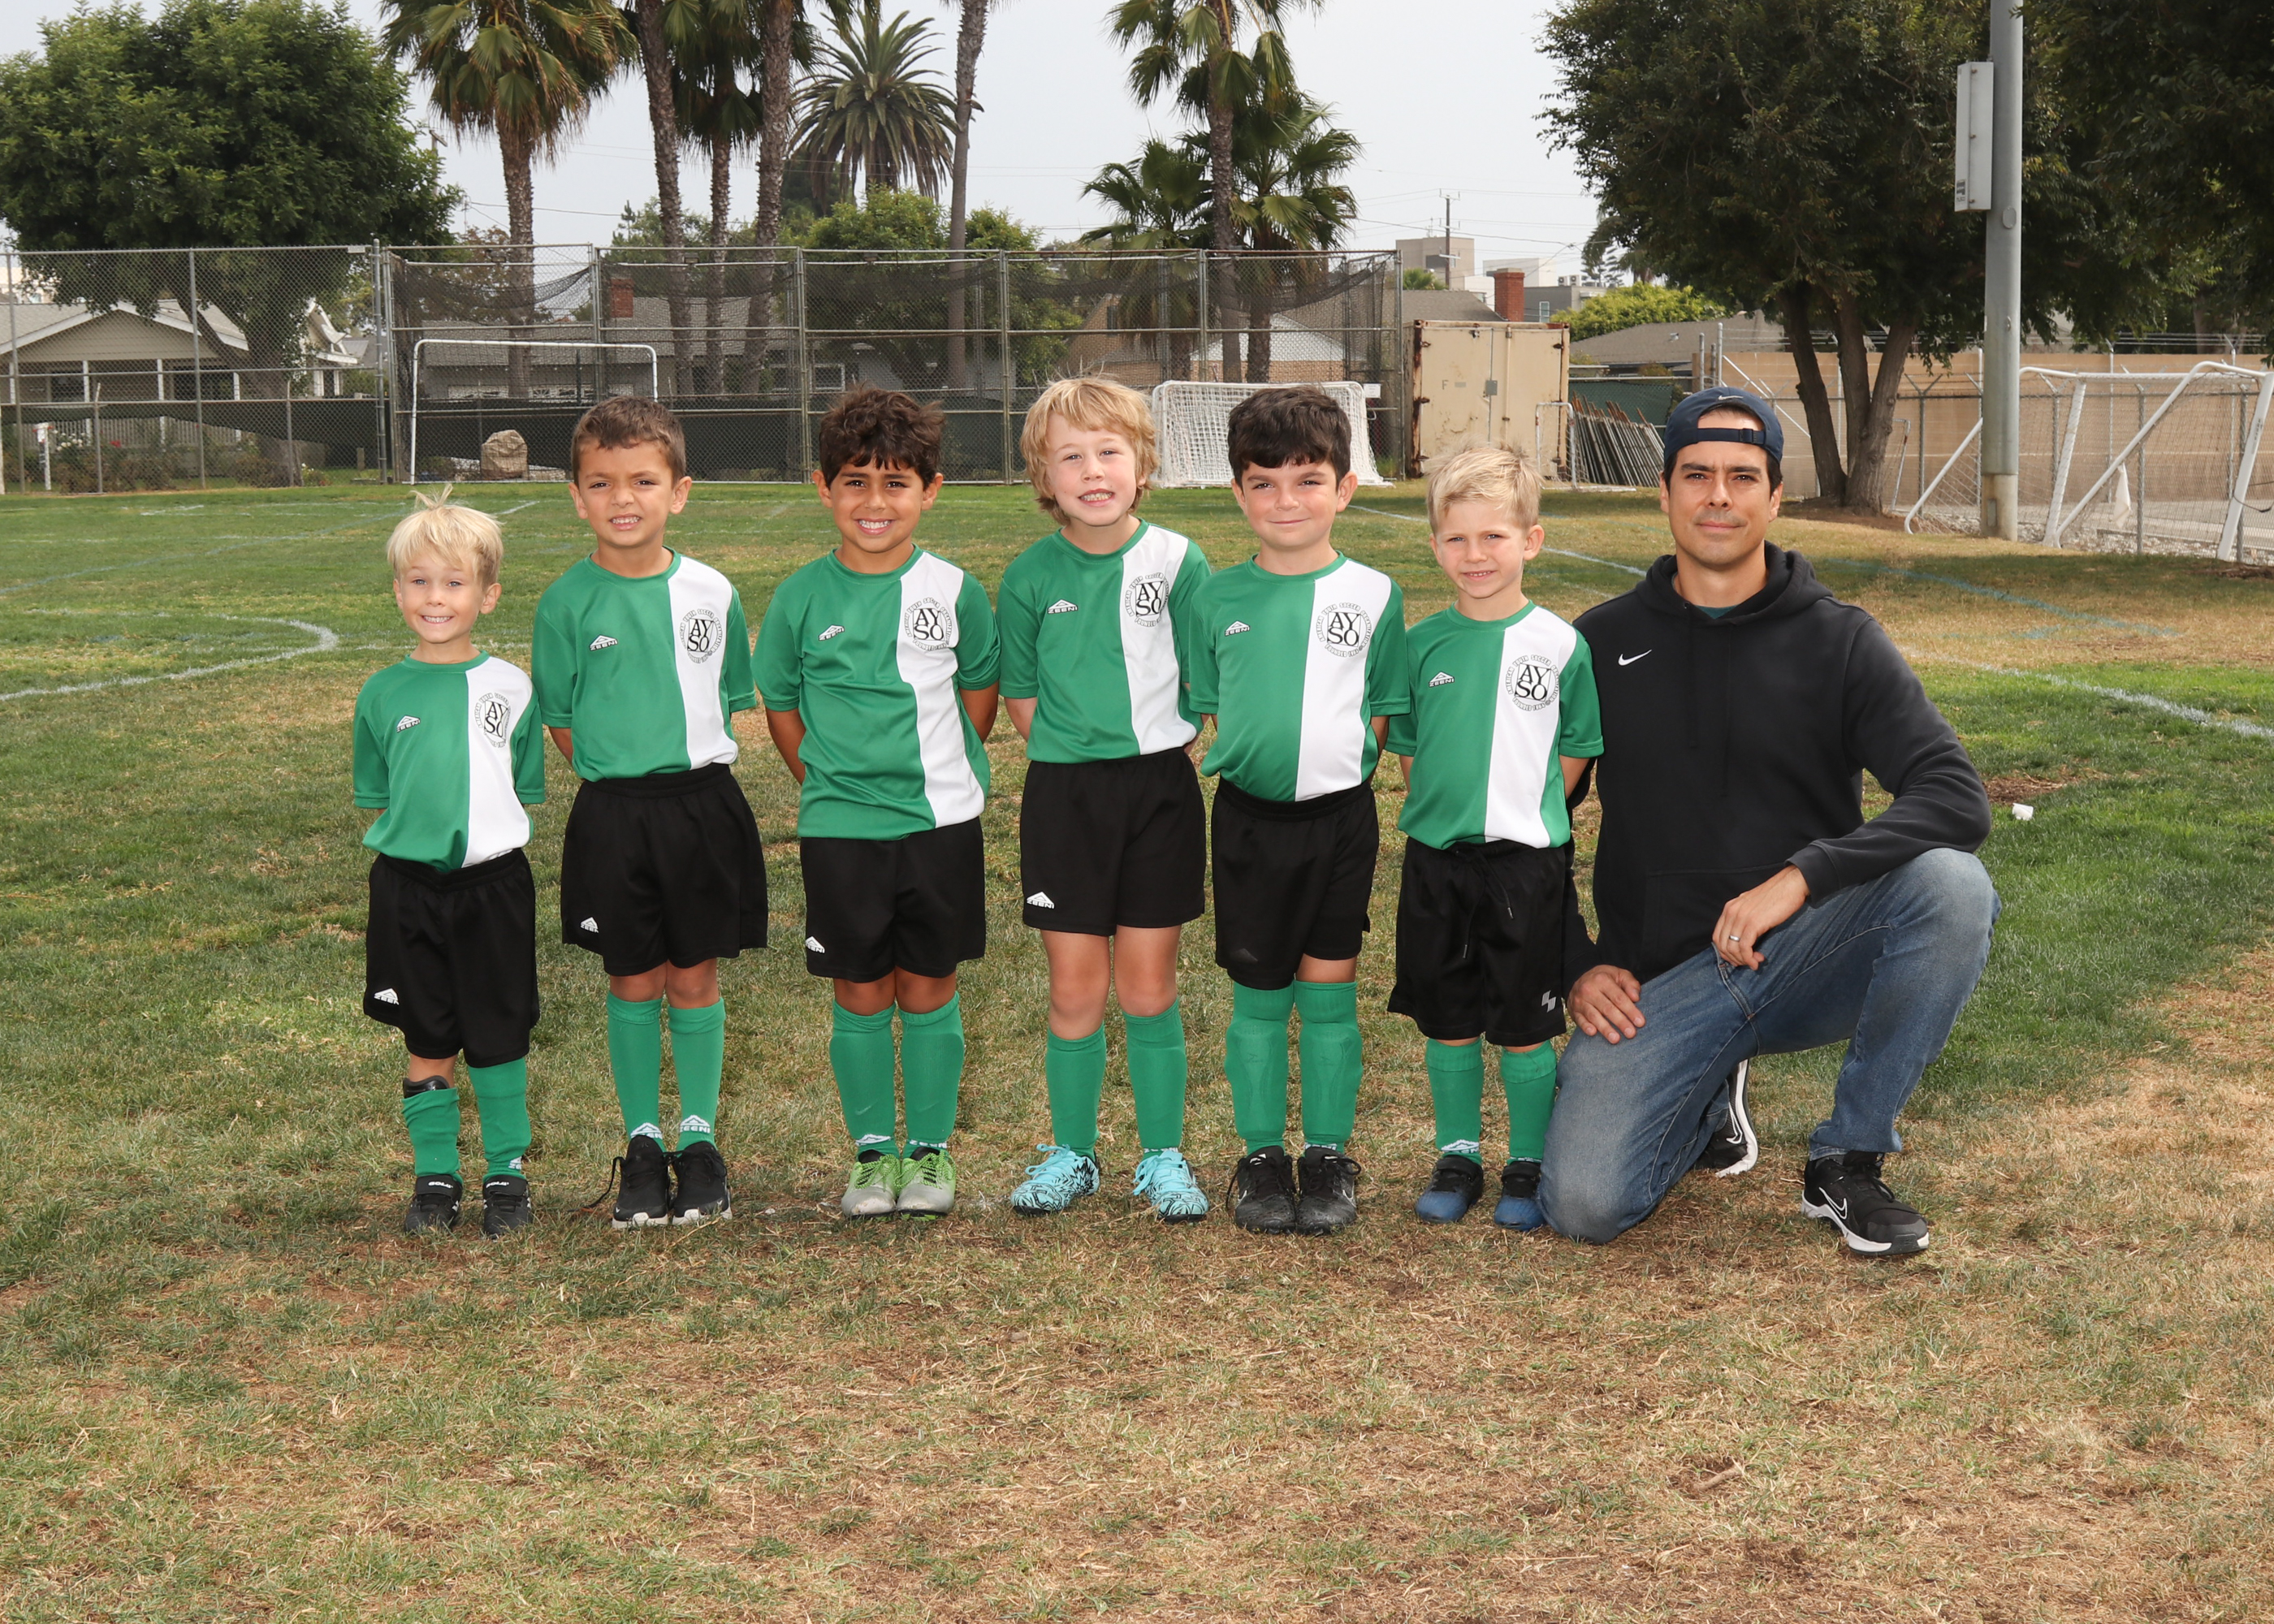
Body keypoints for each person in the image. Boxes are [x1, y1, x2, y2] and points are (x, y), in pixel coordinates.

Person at [1541, 386, 1998, 1257]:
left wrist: (1800, 877)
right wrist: (1576, 963)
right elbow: (1530, 822)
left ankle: (1847, 1159)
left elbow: (1953, 794)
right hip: (1662, 983)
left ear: (1776, 495)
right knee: (1588, 1204)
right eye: (1697, 475)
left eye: (1743, 477)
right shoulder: (1595, 643)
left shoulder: (1840, 640)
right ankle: (1706, 1090)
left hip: (1806, 956)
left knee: (1951, 885)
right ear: (1665, 491)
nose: (1719, 496)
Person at [755, 387, 1000, 1220]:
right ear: (824, 488)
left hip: (938, 823)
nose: (874, 501)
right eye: (855, 481)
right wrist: (826, 781)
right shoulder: (799, 597)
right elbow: (781, 705)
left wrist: (939, 769)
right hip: (840, 828)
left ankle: (928, 1152)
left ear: (930, 491)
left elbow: (978, 691)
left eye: (896, 483)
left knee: (928, 983)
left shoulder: (956, 590)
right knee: (859, 988)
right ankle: (870, 1155)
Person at [532, 395, 765, 1230]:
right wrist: (617, 777)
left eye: (642, 480)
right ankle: (641, 1142)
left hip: (701, 807)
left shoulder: (711, 590)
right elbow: (562, 720)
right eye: (601, 483)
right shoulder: (565, 603)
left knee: (694, 975)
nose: (622, 498)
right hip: (614, 813)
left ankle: (698, 1142)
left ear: (679, 491)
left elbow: (729, 696)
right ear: (576, 496)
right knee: (631, 976)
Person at [1187, 386, 1410, 1235]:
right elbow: (1210, 703)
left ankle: (1325, 1154)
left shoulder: (1375, 594)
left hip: (1341, 821)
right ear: (1239, 492)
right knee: (1257, 993)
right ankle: (1259, 1156)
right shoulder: (1215, 599)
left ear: (1344, 488)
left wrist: (1337, 768)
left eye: (1308, 480)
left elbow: (1382, 710)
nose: (1287, 501)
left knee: (1327, 990)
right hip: (1248, 822)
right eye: (1265, 483)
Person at [996, 378, 1215, 1222]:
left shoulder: (1179, 562)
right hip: (1066, 797)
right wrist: (1075, 751)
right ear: (1045, 477)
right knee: (1075, 990)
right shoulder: (1028, 576)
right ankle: (1073, 1152)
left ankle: (1163, 1154)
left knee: (1149, 987)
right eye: (1071, 456)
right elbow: (1021, 694)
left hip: (1158, 792)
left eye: (1109, 452)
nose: (1093, 471)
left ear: (1141, 464)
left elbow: (1201, 676)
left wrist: (1157, 742)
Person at [1386, 445, 1601, 1232]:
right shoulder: (1420, 645)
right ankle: (1458, 1155)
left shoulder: (1559, 645)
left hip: (1524, 868)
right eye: (1456, 539)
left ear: (1530, 541)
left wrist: (1526, 810)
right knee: (1448, 1018)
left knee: (1524, 1024)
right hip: (1437, 862)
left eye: (1493, 537)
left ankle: (1527, 1161)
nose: (1474, 555)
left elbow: (1575, 750)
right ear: (1435, 545)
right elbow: (1410, 748)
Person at [353, 492, 547, 1237]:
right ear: (398, 591)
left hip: (493, 888)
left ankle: (507, 1176)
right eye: (420, 582)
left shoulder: (513, 687)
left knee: (498, 1037)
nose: (436, 598)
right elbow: (379, 791)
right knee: (425, 1036)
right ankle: (435, 1178)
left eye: (455, 582)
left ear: (487, 596)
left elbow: (521, 784)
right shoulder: (381, 693)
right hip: (407, 889)